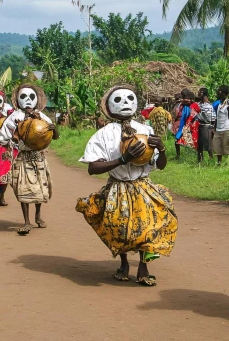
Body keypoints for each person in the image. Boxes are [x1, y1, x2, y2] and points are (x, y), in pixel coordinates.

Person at [76, 85, 177, 286]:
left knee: (150, 226)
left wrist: (163, 149)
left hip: (143, 186)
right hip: (118, 188)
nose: (125, 104)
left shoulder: (145, 130)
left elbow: (161, 165)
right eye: (119, 100)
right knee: (120, 229)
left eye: (129, 99)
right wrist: (123, 159)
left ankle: (143, 266)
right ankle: (123, 263)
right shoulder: (103, 134)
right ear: (109, 106)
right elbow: (93, 168)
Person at [0, 84, 59, 235]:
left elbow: (55, 136)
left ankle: (38, 215)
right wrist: (19, 132)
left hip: (39, 158)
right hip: (23, 157)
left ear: (37, 99)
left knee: (39, 188)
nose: (28, 100)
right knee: (23, 189)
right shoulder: (14, 118)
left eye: (31, 97)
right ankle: (26, 221)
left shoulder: (43, 117)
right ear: (18, 99)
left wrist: (53, 129)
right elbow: (8, 139)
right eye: (23, 97)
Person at [212, 85, 229, 166]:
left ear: (223, 92)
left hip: (226, 128)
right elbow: (217, 117)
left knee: (228, 146)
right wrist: (215, 127)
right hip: (218, 128)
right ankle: (219, 163)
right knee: (218, 147)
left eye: (219, 91)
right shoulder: (218, 103)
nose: (218, 92)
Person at [175, 89, 200, 159]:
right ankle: (178, 155)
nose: (183, 99)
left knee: (194, 140)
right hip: (185, 124)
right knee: (177, 139)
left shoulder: (193, 105)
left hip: (192, 125)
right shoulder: (185, 105)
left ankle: (198, 156)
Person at [196, 88, 216, 162]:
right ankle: (200, 159)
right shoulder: (198, 104)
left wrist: (213, 127)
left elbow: (213, 118)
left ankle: (211, 158)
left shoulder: (209, 106)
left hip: (207, 126)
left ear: (202, 93)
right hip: (200, 126)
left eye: (199, 92)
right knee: (200, 144)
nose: (198, 93)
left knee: (208, 145)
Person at [169, 93, 183, 158]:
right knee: (177, 139)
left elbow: (174, 114)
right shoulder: (179, 105)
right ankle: (178, 155)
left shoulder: (178, 105)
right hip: (179, 123)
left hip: (179, 123)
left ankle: (178, 155)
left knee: (177, 139)